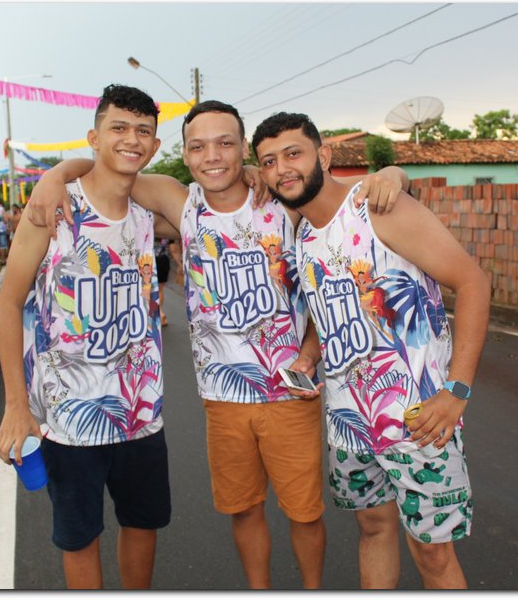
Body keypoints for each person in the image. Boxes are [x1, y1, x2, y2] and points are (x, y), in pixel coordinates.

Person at [27, 99, 407, 589]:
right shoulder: (179, 203)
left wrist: (395, 172)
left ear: (244, 148)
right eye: (199, 146)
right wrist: (54, 173)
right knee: (244, 511)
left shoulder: (278, 196)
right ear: (182, 155)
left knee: (304, 514)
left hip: (289, 393)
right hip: (223, 398)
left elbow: (349, 195)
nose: (213, 156)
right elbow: (108, 168)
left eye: (226, 143)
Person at [251, 112, 491, 589]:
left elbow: (472, 281)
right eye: (269, 161)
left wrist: (457, 389)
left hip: (419, 420)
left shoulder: (378, 207)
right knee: (373, 528)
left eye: (293, 154)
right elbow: (327, 308)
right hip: (349, 421)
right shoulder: (303, 234)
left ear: (323, 155)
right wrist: (308, 356)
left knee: (432, 552)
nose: (282, 169)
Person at [0, 84, 171, 590]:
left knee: (143, 524)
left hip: (141, 414)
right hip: (69, 418)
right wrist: (15, 405)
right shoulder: (52, 211)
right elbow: (8, 303)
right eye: (118, 128)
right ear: (94, 136)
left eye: (143, 131)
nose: (131, 140)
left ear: (155, 146)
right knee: (79, 537)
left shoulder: (149, 219)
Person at [153, 239, 170, 326]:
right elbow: (173, 249)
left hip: (151, 259)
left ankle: (159, 312)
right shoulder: (165, 230)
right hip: (164, 260)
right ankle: (160, 311)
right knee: (160, 289)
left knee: (149, 288)